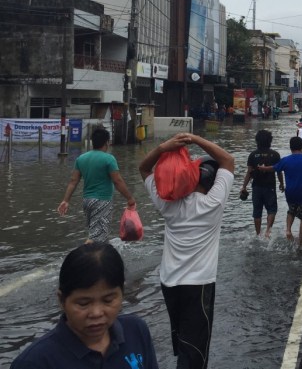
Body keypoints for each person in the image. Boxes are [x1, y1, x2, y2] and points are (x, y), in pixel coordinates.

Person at [139, 133, 235, 369]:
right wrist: (196, 139)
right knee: (195, 352)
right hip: (198, 285)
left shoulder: (168, 205)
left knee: (184, 341)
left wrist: (164, 147)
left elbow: (143, 168)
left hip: (169, 282)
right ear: (211, 182)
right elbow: (228, 161)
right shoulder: (212, 205)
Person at [10, 242, 158, 369]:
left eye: (108, 300)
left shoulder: (136, 331)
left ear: (122, 294)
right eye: (83, 303)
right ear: (62, 300)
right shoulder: (35, 362)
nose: (96, 313)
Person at [57, 127, 136, 243]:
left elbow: (73, 181)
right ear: (107, 143)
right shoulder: (109, 159)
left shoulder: (81, 158)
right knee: (97, 239)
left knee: (95, 234)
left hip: (87, 201)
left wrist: (65, 200)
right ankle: (84, 258)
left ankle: (95, 256)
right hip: (102, 201)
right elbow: (117, 181)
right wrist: (130, 198)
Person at [259, 136, 302, 247]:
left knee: (291, 211)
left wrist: (262, 168)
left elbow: (273, 168)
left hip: (290, 192)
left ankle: (288, 230)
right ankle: (300, 242)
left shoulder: (285, 160)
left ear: (290, 147)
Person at [240, 129, 282, 238]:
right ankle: (268, 232)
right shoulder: (275, 155)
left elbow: (249, 172)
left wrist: (244, 187)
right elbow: (279, 171)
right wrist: (282, 184)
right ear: (270, 140)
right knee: (272, 210)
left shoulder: (253, 155)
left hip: (256, 187)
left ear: (257, 141)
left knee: (257, 211)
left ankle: (258, 234)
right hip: (270, 187)